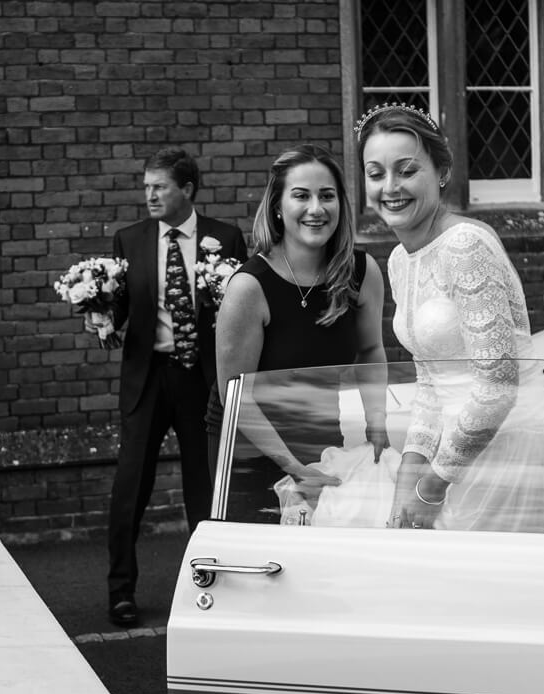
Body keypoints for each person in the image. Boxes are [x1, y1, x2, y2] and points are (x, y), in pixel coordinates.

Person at [355, 104, 544, 533]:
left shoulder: (465, 244)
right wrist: (408, 482)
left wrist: (432, 486)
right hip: (452, 462)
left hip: (518, 455)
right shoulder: (398, 261)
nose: (390, 187)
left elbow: (498, 385)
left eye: (406, 171)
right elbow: (430, 384)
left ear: (441, 172)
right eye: (376, 173)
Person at [103, 147, 248, 626]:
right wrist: (101, 317)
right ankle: (120, 591)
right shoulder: (130, 240)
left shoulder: (226, 239)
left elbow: (239, 311)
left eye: (159, 187)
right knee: (131, 487)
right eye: (146, 187)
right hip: (147, 379)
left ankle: (209, 589)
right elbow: (120, 312)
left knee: (203, 489)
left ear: (186, 189)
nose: (149, 195)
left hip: (199, 378)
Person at [208, 144, 389, 521]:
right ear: (277, 205)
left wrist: (377, 425)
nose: (316, 209)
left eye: (327, 196)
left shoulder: (361, 271)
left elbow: (371, 350)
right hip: (252, 446)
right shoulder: (249, 288)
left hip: (321, 440)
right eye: (301, 196)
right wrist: (293, 467)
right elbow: (235, 397)